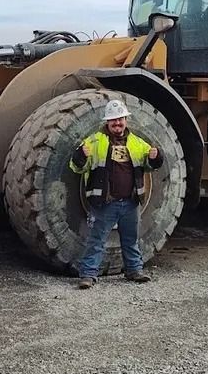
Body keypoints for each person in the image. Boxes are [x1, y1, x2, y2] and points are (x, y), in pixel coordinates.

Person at [69, 99, 164, 289]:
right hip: (105, 203)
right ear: (107, 123)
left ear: (125, 120)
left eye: (120, 120)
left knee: (130, 239)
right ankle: (88, 275)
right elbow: (77, 167)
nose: (117, 124)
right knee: (97, 240)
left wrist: (156, 157)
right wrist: (80, 156)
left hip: (130, 202)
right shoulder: (94, 141)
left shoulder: (138, 143)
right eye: (113, 121)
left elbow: (150, 165)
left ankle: (134, 270)